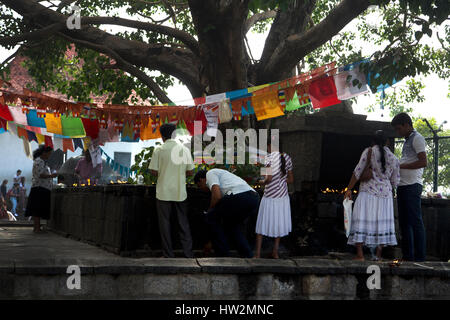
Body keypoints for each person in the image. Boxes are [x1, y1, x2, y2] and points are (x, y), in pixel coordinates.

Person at [344, 130, 400, 261]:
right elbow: (395, 181)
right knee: (381, 224)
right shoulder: (394, 158)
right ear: (387, 142)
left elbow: (357, 172)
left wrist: (349, 189)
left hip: (367, 192)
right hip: (385, 195)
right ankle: (378, 256)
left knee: (361, 220)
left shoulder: (369, 152)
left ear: (373, 141)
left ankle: (360, 255)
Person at [149, 123, 195, 258]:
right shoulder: (184, 149)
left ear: (162, 136)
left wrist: (164, 173)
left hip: (163, 192)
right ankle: (188, 254)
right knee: (183, 223)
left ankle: (168, 254)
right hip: (180, 191)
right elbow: (191, 171)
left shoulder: (159, 149)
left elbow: (153, 170)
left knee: (165, 225)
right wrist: (179, 173)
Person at [194, 168, 260, 258]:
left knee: (210, 217)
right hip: (253, 198)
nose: (202, 189)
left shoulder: (210, 173)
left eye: (200, 186)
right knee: (232, 226)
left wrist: (209, 211)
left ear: (201, 180)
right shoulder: (225, 176)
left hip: (240, 195)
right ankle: (247, 255)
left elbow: (217, 197)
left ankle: (223, 254)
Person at [391, 112, 428, 262]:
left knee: (415, 221)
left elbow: (423, 162)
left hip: (412, 186)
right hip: (403, 185)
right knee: (404, 222)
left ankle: (420, 257)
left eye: (399, 129)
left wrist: (402, 166)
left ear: (407, 125)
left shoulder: (417, 138)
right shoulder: (407, 140)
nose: (398, 132)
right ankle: (408, 256)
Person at [254, 141, 294, 259]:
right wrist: (281, 182)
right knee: (279, 224)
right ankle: (275, 252)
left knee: (262, 224)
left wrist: (259, 181)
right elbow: (291, 179)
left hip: (269, 196)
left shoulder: (269, 157)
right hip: (282, 197)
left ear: (270, 146)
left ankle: (257, 254)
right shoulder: (287, 157)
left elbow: (268, 179)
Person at [25, 145, 57, 233]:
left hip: (42, 188)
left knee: (39, 209)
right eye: (49, 153)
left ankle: (37, 227)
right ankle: (37, 228)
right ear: (44, 153)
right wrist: (51, 176)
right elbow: (40, 175)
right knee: (37, 209)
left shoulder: (42, 161)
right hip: (40, 187)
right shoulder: (39, 161)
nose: (49, 155)